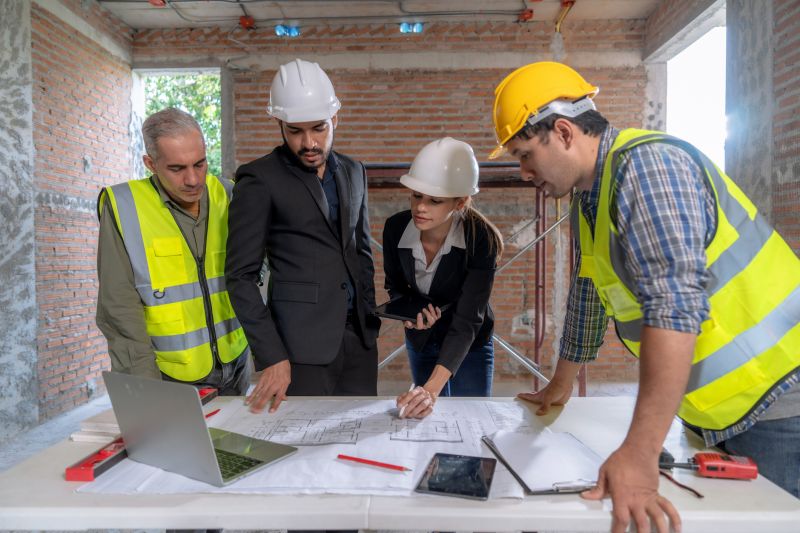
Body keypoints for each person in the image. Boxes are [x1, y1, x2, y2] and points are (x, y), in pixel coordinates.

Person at [488, 61, 800, 532]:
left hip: (778, 396)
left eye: (525, 153)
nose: (524, 171)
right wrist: (561, 383)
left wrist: (640, 450)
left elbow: (674, 309)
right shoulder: (590, 196)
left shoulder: (648, 168)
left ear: (565, 132)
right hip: (723, 407)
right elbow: (590, 293)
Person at [225, 58, 380, 414]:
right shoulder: (259, 179)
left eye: (319, 128)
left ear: (335, 119)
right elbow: (239, 277)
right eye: (295, 131)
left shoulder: (355, 171)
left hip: (359, 341)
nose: (308, 142)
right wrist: (272, 356)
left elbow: (361, 252)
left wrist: (370, 318)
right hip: (299, 350)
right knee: (303, 451)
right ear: (280, 124)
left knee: (356, 440)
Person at [96, 107, 251, 396]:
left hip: (237, 365)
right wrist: (146, 390)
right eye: (177, 169)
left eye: (200, 164)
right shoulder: (124, 206)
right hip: (171, 377)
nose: (193, 180)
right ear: (151, 163)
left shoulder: (228, 194)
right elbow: (118, 307)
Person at [383, 138, 503, 419]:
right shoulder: (395, 228)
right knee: (428, 420)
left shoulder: (481, 239)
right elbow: (396, 287)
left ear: (460, 202)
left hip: (469, 343)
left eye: (435, 200)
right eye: (416, 195)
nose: (420, 208)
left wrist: (430, 389)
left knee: (470, 419)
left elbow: (468, 318)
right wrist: (410, 313)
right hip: (422, 340)